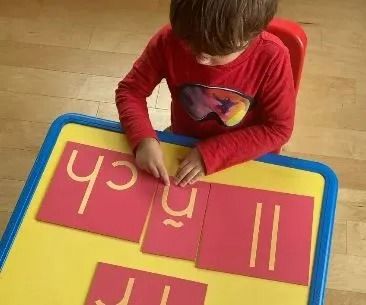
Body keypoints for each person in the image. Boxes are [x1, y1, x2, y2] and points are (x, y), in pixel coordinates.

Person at [115, 0, 295, 187]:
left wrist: (210, 154)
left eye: (215, 53)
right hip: (183, 141)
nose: (201, 59)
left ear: (251, 37)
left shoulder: (272, 57)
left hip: (244, 155)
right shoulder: (168, 40)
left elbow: (279, 128)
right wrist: (143, 139)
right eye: (190, 44)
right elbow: (130, 91)